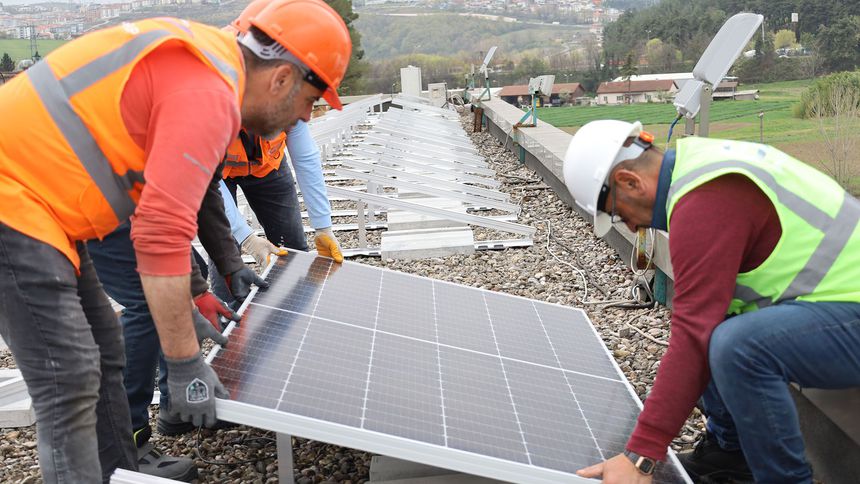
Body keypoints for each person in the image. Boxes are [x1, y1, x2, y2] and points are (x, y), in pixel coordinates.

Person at [0, 1, 352, 481]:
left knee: (103, 350)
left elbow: (195, 187)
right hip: (13, 205)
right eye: (312, 100)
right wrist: (185, 364)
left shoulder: (209, 69)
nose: (306, 118)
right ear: (283, 78)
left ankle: (117, 471)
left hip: (42, 208)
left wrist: (216, 276)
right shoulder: (207, 89)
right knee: (69, 379)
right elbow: (160, 234)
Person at [562, 120, 860, 483]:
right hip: (838, 307)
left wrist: (641, 454)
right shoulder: (698, 168)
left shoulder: (705, 199)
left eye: (621, 214)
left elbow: (692, 333)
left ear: (629, 182)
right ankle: (731, 454)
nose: (633, 227)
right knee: (719, 326)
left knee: (739, 346)